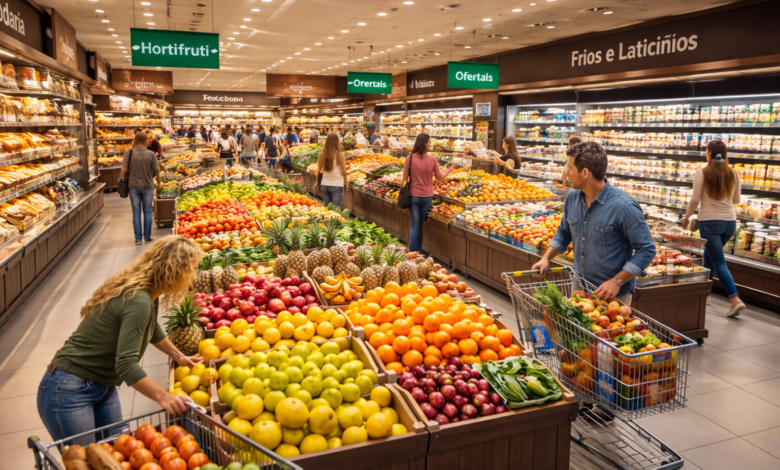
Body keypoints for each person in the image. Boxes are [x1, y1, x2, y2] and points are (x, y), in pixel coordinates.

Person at [37, 236, 204, 443]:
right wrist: (165, 397)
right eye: (192, 269)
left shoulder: (147, 293)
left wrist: (179, 356)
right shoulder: (139, 300)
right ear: (174, 271)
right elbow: (125, 364)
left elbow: (151, 329)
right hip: (69, 389)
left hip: (103, 386)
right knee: (87, 461)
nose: (194, 277)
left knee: (116, 454)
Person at [533, 142, 656, 305]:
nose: (567, 172)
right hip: (578, 291)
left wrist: (617, 281)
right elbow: (564, 232)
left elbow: (646, 249)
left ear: (585, 172)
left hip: (612, 297)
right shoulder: (572, 197)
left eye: (570, 167)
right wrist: (546, 257)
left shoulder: (624, 207)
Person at [681, 139, 746, 317]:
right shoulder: (734, 173)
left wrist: (686, 218)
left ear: (708, 152)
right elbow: (736, 201)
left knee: (718, 262)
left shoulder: (701, 173)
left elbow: (695, 199)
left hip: (709, 223)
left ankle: (735, 299)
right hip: (730, 223)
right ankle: (705, 295)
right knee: (709, 257)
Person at [402, 133, 455, 253]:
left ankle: (413, 253)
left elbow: (404, 179)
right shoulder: (432, 159)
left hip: (413, 195)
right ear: (424, 144)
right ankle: (417, 252)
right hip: (427, 196)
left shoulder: (409, 158)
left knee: (415, 225)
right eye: (429, 142)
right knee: (419, 224)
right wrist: (450, 170)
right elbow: (439, 177)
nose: (431, 144)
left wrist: (402, 192)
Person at [120, 132, 160, 246]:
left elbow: (123, 169)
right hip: (148, 186)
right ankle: (147, 237)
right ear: (146, 140)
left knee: (136, 212)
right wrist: (160, 182)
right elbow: (157, 171)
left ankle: (138, 239)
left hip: (133, 186)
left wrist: (120, 179)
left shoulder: (129, 152)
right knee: (147, 212)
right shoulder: (151, 154)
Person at [315, 134, 348, 208]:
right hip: (337, 185)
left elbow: (318, 171)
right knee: (335, 210)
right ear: (337, 142)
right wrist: (346, 184)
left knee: (327, 209)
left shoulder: (321, 155)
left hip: (324, 184)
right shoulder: (340, 155)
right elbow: (344, 172)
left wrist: (317, 183)